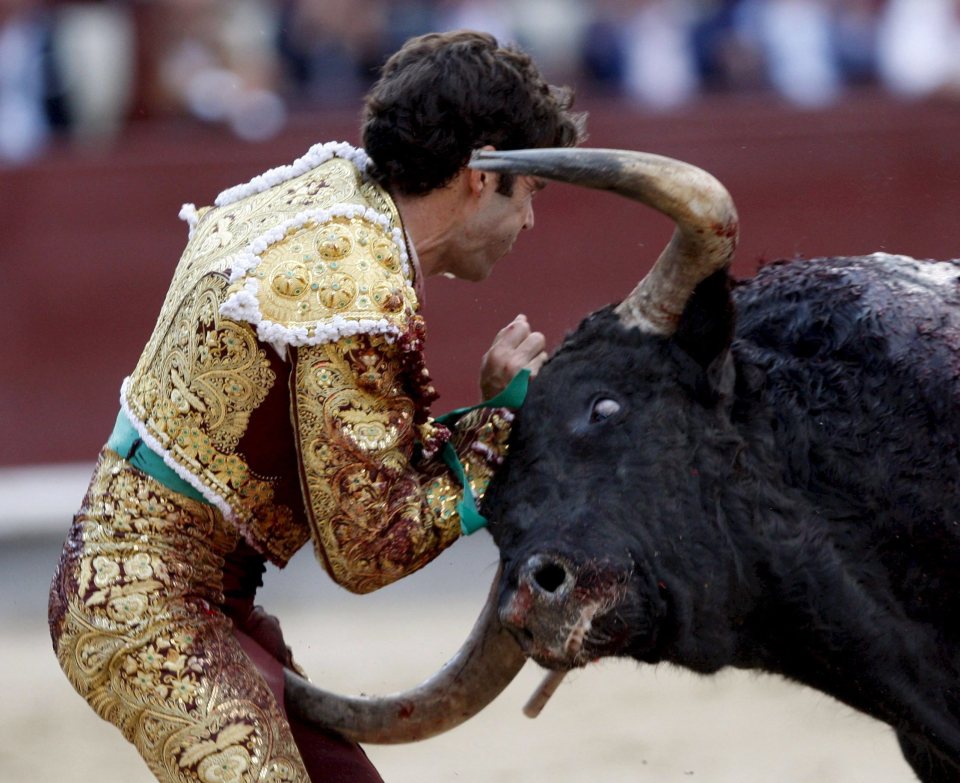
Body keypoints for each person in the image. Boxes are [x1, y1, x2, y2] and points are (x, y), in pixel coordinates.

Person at [47, 29, 585, 783]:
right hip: (150, 607)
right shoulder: (357, 284)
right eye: (530, 193)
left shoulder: (338, 198)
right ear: (478, 174)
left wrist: (484, 420)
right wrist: (496, 432)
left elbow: (358, 460)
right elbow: (369, 549)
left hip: (175, 591)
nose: (528, 222)